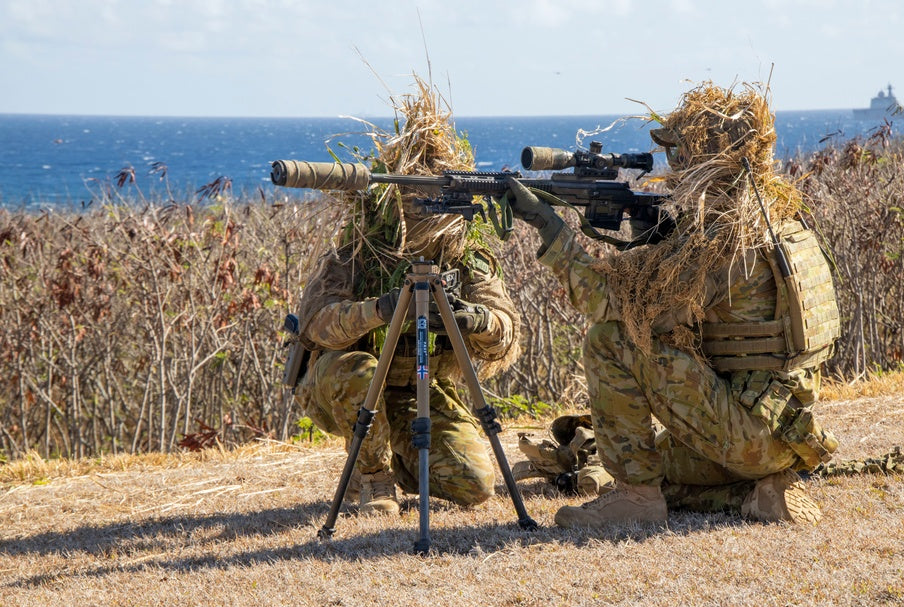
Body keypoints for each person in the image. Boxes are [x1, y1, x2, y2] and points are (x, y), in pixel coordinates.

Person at [504, 82, 841, 528]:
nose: (674, 168)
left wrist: (550, 229)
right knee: (659, 466)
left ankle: (637, 501)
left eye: (682, 157)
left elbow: (613, 306)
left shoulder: (723, 243)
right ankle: (759, 492)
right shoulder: (781, 225)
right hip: (786, 433)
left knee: (610, 341)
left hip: (746, 434)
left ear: (708, 160)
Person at [292, 84, 520, 515]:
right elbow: (317, 326)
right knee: (359, 372)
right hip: (342, 384)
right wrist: (380, 309)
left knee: (474, 484)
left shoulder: (466, 261)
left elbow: (506, 332)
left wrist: (472, 320)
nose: (423, 211)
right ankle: (373, 479)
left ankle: (401, 460)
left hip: (418, 386)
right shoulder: (358, 251)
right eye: (413, 201)